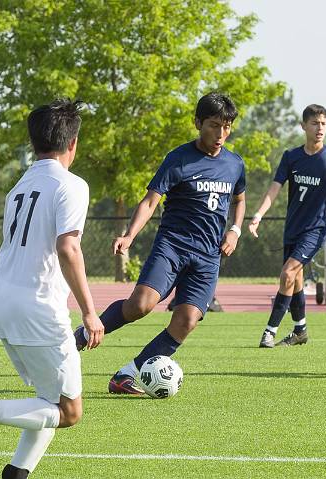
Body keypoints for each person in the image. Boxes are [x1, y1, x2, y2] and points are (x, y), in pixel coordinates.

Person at [0, 99, 104, 478]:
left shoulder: (19, 186)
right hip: (39, 307)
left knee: (48, 400)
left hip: (3, 302)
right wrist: (90, 312)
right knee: (69, 412)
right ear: (73, 143)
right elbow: (68, 247)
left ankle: (16, 474)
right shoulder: (72, 185)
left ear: (33, 144)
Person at [74, 93, 246, 395]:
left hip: (207, 257)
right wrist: (129, 235)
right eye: (214, 125)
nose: (221, 134)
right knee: (140, 306)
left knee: (187, 320)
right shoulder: (178, 159)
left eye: (227, 126)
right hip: (173, 247)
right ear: (198, 123)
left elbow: (240, 199)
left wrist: (235, 230)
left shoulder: (234, 164)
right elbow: (150, 201)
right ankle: (76, 340)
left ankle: (128, 374)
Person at [248, 104, 326, 348]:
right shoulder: (291, 157)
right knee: (295, 280)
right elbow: (274, 189)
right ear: (304, 126)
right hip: (292, 228)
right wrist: (257, 215)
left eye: (323, 124)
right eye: (315, 123)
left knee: (287, 273)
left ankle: (269, 331)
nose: (320, 128)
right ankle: (301, 331)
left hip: (315, 229)